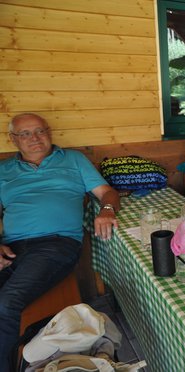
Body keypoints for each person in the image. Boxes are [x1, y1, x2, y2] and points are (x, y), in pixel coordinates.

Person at [0, 113, 120, 370]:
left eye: (40, 131)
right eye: (25, 134)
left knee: (7, 301)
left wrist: (107, 209)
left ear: (49, 132)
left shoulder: (73, 159)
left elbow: (107, 192)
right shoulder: (3, 170)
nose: (35, 138)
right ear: (13, 139)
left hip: (56, 245)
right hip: (10, 247)